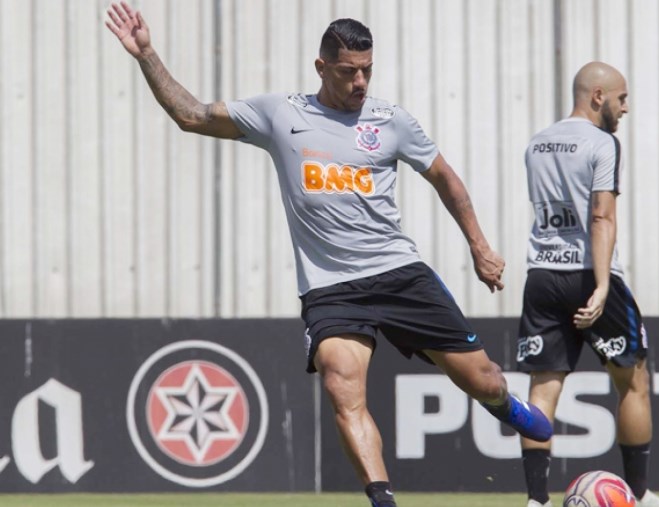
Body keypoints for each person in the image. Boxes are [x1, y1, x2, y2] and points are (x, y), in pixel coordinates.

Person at [106, 3, 551, 505]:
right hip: (330, 288)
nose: (360, 81)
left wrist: (480, 246)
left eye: (367, 70)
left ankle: (503, 404)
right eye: (348, 72)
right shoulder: (281, 114)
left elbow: (445, 178)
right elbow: (192, 115)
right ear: (322, 68)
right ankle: (382, 499)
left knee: (483, 379)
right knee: (343, 386)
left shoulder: (391, 120)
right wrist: (146, 55)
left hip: (399, 273)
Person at [515, 61, 659, 507]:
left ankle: (536, 500)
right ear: (597, 96)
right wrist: (603, 285)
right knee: (632, 381)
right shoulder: (604, 143)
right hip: (591, 273)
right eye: (621, 98)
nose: (625, 108)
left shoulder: (537, 143)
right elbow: (601, 214)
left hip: (543, 273)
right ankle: (640, 496)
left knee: (543, 386)